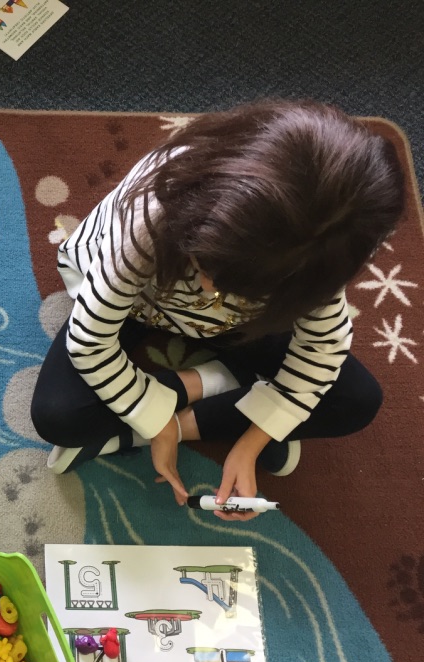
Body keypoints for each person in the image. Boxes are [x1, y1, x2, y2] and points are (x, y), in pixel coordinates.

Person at [30, 99, 405, 520]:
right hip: (141, 308)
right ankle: (222, 386)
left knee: (357, 400)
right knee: (56, 415)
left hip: (238, 327)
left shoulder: (315, 260)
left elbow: (325, 349)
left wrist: (248, 444)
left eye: (238, 289)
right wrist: (157, 422)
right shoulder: (151, 217)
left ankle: (190, 407)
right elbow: (90, 343)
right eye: (208, 268)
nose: (212, 289)